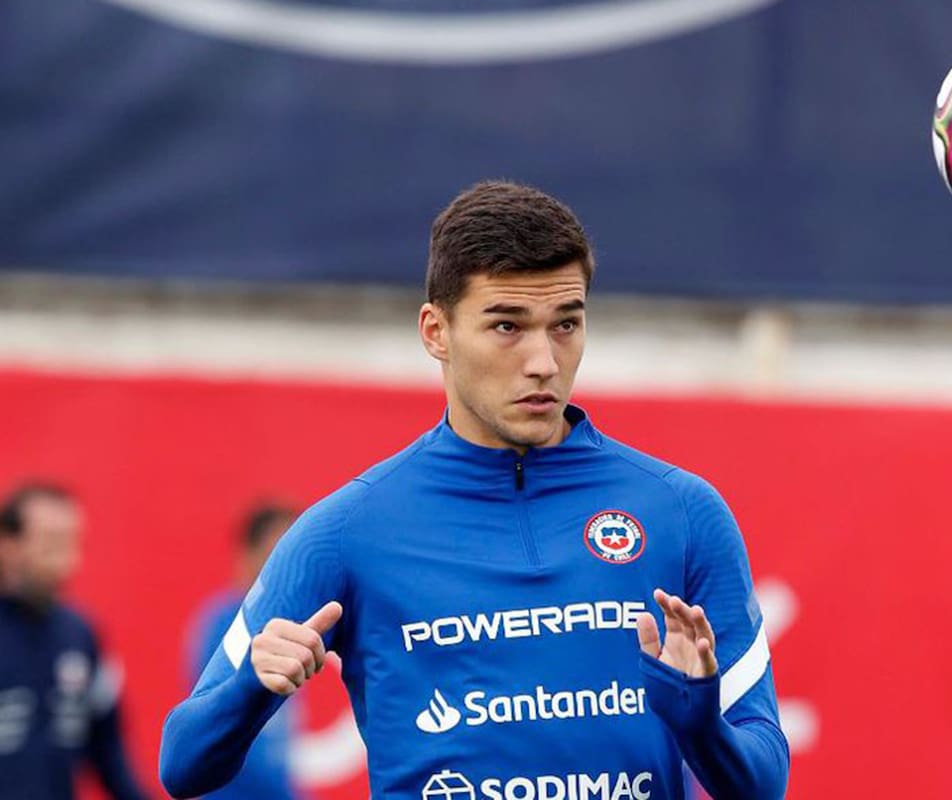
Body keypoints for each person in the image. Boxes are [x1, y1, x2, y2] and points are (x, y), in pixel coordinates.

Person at [160, 181, 789, 800]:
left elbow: (764, 782)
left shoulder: (682, 512)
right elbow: (182, 765)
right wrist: (250, 691)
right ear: (436, 331)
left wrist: (699, 723)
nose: (544, 360)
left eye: (565, 324)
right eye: (508, 326)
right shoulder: (344, 532)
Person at [0, 482, 151, 800]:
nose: (66, 560)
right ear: (8, 545)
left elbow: (109, 752)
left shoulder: (79, 635)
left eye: (71, 543)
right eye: (50, 543)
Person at [183, 503, 305, 800]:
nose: (287, 569)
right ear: (248, 555)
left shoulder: (282, 626)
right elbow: (227, 728)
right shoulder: (229, 627)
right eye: (276, 555)